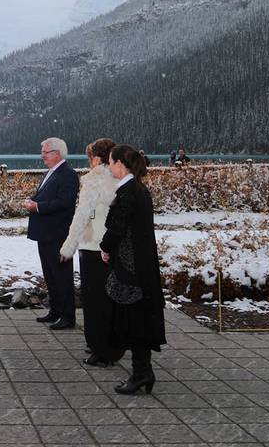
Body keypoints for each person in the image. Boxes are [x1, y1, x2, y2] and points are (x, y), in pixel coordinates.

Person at [100, 144, 166, 395]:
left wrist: (105, 247)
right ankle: (142, 371)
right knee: (138, 318)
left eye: (110, 162)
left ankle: (141, 374)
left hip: (132, 266)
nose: (109, 167)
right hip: (140, 263)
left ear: (119, 164)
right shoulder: (138, 189)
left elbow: (117, 228)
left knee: (135, 319)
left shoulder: (128, 192)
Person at [59, 138, 120, 366]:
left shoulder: (93, 181)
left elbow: (81, 216)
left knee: (94, 301)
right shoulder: (118, 178)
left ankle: (99, 348)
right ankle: (112, 345)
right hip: (110, 245)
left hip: (92, 245)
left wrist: (68, 245)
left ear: (95, 157)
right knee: (110, 299)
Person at [22, 137, 80, 330]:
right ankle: (55, 311)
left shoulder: (68, 174)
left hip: (58, 234)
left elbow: (65, 202)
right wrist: (33, 202)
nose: (42, 156)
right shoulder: (52, 172)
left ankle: (68, 316)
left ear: (56, 153)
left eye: (45, 153)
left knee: (62, 276)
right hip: (45, 234)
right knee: (50, 275)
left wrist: (37, 206)